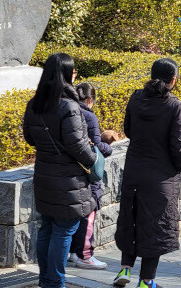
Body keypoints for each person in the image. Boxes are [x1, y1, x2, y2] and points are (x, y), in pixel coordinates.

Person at [23, 53, 98, 288]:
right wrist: (94, 158)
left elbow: (29, 138)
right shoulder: (69, 106)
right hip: (68, 181)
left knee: (47, 227)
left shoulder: (34, 104)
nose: (75, 75)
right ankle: (55, 282)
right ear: (66, 74)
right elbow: (77, 145)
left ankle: (46, 279)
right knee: (64, 231)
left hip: (44, 177)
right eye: (73, 71)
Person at [114, 58, 181, 288]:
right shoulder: (174, 106)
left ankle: (125, 268)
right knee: (154, 227)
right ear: (173, 80)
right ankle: (146, 281)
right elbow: (179, 143)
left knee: (131, 218)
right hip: (160, 176)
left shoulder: (136, 98)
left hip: (134, 170)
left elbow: (128, 130)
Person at [68, 83, 118, 270]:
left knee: (76, 214)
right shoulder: (89, 116)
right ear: (90, 100)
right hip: (88, 174)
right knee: (89, 213)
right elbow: (95, 147)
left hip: (69, 173)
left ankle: (74, 252)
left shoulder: (67, 110)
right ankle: (85, 255)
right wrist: (108, 146)